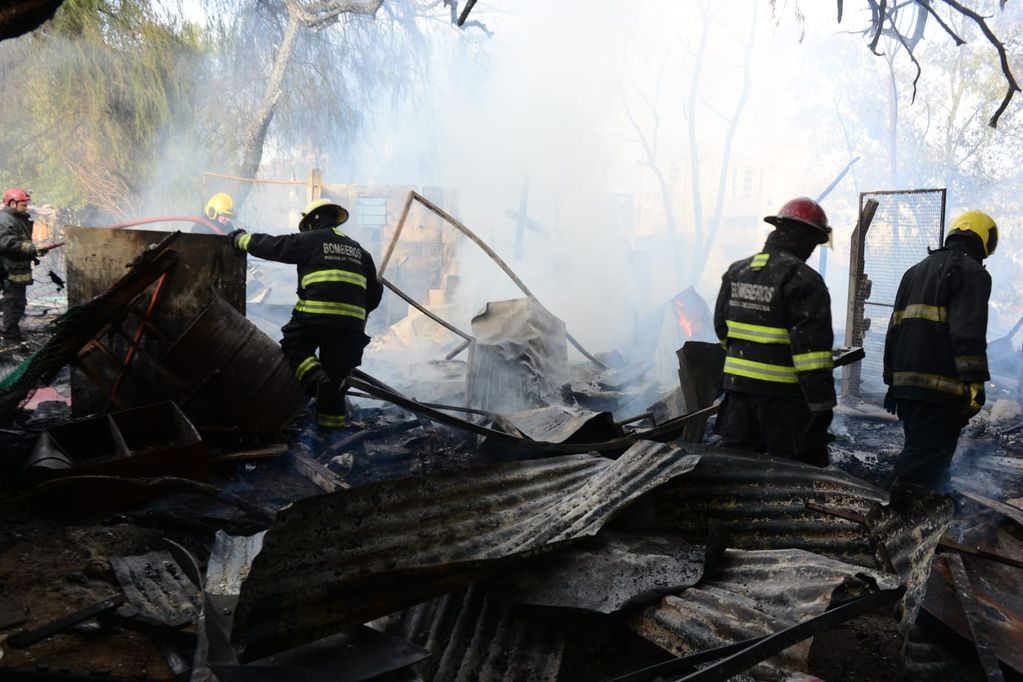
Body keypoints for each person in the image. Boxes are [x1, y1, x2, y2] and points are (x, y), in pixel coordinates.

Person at [230, 198, 383, 430]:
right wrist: (354, 314)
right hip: (351, 328)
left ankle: (314, 377)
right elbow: (375, 293)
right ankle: (330, 435)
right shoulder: (361, 252)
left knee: (295, 346)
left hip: (314, 318)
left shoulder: (310, 241)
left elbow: (274, 246)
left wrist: (240, 239)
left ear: (312, 221)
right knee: (336, 382)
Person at [713, 197, 836, 466]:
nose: (812, 250)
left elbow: (722, 329)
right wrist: (821, 405)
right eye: (814, 243)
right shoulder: (804, 280)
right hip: (784, 402)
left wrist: (746, 364)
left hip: (736, 393)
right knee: (794, 473)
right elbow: (811, 354)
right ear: (803, 238)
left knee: (735, 468)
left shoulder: (738, 271)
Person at [882, 210, 997, 493]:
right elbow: (967, 334)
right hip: (941, 390)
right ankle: (887, 510)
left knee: (926, 455)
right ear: (984, 240)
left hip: (906, 386)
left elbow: (894, 327)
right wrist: (974, 383)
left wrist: (891, 381)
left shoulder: (915, 270)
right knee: (924, 459)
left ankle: (930, 503)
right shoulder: (972, 273)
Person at [0, 188, 49, 342]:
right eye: (23, 204)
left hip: (15, 269)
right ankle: (10, 336)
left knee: (16, 303)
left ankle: (11, 333)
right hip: (8, 269)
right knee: (13, 303)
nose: (26, 207)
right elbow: (6, 243)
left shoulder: (17, 219)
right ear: (12, 203)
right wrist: (32, 248)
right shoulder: (5, 220)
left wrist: (35, 251)